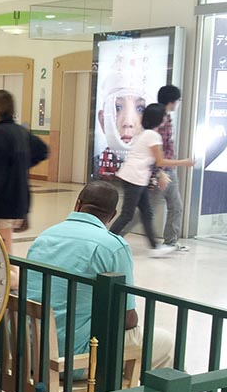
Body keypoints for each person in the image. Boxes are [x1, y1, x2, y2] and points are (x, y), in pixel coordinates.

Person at [25, 180, 173, 372]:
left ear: (77, 204)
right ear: (112, 216)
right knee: (165, 343)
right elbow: (129, 319)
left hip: (31, 355)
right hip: (75, 361)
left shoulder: (44, 237)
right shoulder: (112, 247)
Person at [108, 103, 194, 257]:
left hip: (136, 177)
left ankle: (155, 247)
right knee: (127, 214)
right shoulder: (153, 136)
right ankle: (105, 242)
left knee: (146, 212)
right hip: (134, 177)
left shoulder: (145, 133)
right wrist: (185, 162)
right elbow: (160, 161)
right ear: (159, 119)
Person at [0, 89, 48, 255]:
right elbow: (42, 150)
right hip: (16, 199)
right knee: (2, 247)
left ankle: (11, 278)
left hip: (1, 204)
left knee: (3, 250)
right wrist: (21, 167)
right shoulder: (19, 131)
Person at [156, 84, 189, 250]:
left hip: (166, 169)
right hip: (163, 169)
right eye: (177, 100)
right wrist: (160, 170)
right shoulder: (162, 119)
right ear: (171, 101)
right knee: (142, 211)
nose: (177, 104)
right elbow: (158, 147)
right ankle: (170, 241)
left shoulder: (164, 117)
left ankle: (171, 241)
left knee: (175, 206)